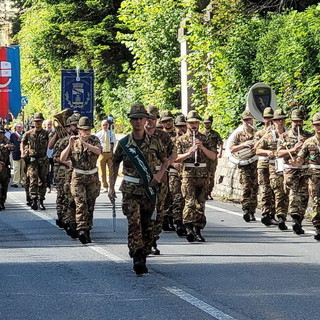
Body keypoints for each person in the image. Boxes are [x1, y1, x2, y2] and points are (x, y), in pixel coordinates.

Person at [108, 103, 168, 275]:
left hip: (149, 189)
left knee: (149, 225)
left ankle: (144, 251)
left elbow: (165, 160)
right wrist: (111, 187)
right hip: (130, 189)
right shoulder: (125, 143)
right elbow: (114, 163)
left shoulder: (155, 141)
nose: (138, 122)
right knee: (134, 223)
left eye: (141, 118)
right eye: (134, 119)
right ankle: (137, 256)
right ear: (131, 121)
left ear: (145, 120)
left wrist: (159, 176)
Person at [176, 110, 217, 242]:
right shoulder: (181, 140)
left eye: (196, 123)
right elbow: (175, 158)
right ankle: (188, 228)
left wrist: (202, 148)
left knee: (200, 204)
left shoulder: (205, 138)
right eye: (191, 123)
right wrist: (189, 153)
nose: (194, 125)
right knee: (189, 201)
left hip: (203, 174)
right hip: (188, 174)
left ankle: (198, 229)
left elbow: (213, 156)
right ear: (187, 124)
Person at [60, 116, 102, 244]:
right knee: (80, 203)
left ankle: (88, 228)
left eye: (88, 130)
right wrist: (70, 145)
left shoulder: (94, 140)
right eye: (84, 130)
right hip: (78, 177)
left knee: (90, 204)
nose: (86, 132)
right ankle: (82, 229)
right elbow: (62, 158)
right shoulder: (73, 141)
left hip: (92, 176)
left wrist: (85, 143)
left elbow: (98, 151)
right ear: (79, 130)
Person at [144, 105, 177, 255]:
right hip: (142, 179)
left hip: (161, 177)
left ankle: (153, 240)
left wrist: (167, 164)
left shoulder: (163, 137)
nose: (149, 121)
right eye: (148, 118)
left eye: (153, 119)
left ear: (157, 120)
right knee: (143, 210)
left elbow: (174, 153)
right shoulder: (136, 136)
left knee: (159, 210)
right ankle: (143, 239)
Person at [277, 109, 311, 235]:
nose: (298, 124)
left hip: (304, 169)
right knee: (293, 193)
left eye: (300, 121)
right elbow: (279, 153)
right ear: (291, 122)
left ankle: (299, 220)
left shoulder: (308, 136)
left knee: (304, 196)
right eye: (295, 121)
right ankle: (294, 216)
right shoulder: (284, 136)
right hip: (291, 170)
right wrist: (293, 149)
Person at [256, 109, 289, 229]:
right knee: (275, 190)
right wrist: (269, 152)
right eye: (277, 120)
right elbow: (257, 150)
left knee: (283, 192)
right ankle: (274, 215)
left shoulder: (289, 135)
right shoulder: (269, 136)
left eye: (282, 119)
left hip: (287, 166)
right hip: (272, 166)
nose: (280, 122)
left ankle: (280, 215)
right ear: (273, 121)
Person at [290, 112, 320, 240]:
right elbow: (301, 157)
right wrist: (295, 162)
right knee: (317, 200)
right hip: (314, 174)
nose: (319, 127)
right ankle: (318, 227)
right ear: (313, 126)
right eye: (317, 125)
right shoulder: (309, 142)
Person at [230, 110, 258, 222]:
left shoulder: (257, 133)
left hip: (255, 163)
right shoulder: (238, 134)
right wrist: (243, 145)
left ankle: (252, 211)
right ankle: (246, 209)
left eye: (249, 119)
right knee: (246, 187)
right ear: (243, 121)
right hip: (244, 164)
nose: (248, 122)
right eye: (246, 120)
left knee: (255, 187)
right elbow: (231, 148)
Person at [21, 112, 49, 210]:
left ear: (42, 122)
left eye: (39, 121)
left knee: (43, 180)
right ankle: (34, 199)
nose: (37, 123)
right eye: (36, 121)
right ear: (33, 122)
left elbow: (50, 145)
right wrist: (23, 152)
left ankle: (41, 200)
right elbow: (23, 142)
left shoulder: (46, 133)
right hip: (32, 160)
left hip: (43, 159)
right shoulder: (28, 133)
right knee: (33, 179)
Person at [254, 107, 277, 226]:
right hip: (263, 164)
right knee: (264, 189)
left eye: (271, 118)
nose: (269, 120)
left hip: (275, 164)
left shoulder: (277, 132)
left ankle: (273, 213)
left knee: (275, 188)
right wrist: (266, 134)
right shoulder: (259, 133)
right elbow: (255, 148)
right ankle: (266, 213)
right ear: (263, 119)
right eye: (267, 118)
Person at [169, 114, 187, 236]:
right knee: (176, 198)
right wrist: (173, 163)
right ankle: (177, 221)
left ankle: (185, 220)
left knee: (186, 199)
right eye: (179, 127)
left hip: (188, 173)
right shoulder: (170, 141)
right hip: (174, 173)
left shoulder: (189, 140)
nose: (181, 129)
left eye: (183, 126)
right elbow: (163, 158)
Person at [159, 110, 176, 231]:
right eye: (165, 121)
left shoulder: (177, 135)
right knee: (164, 195)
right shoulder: (158, 136)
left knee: (174, 194)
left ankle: (171, 217)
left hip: (175, 168)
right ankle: (164, 218)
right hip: (162, 169)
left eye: (169, 121)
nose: (168, 123)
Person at [202, 115, 223, 200]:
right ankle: (204, 192)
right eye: (205, 123)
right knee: (204, 175)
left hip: (213, 157)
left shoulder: (215, 134)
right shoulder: (201, 134)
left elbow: (220, 143)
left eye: (208, 123)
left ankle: (209, 192)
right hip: (203, 157)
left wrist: (220, 152)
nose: (207, 124)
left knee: (211, 176)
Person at [95, 119, 116, 192]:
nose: (105, 126)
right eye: (103, 125)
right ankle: (105, 186)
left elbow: (114, 143)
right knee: (102, 171)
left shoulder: (112, 134)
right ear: (101, 126)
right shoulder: (98, 134)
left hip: (110, 153)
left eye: (106, 125)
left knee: (111, 171)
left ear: (108, 125)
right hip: (102, 154)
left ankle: (111, 186)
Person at [0, 126, 14, 210]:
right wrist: (3, 146)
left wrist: (10, 146)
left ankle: (2, 201)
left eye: (2, 133)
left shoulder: (6, 140)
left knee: (4, 184)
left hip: (5, 166)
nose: (0, 135)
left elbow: (12, 146)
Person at [10, 123, 26, 188]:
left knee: (23, 168)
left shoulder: (24, 134)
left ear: (22, 128)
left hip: (23, 153)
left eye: (20, 127)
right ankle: (16, 182)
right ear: (15, 128)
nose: (19, 128)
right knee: (16, 169)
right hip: (16, 153)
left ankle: (23, 181)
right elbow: (10, 142)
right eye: (17, 127)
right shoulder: (13, 135)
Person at [44, 119, 55, 193]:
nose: (49, 126)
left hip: (54, 153)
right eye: (48, 124)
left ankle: (54, 185)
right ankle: (48, 186)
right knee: (47, 171)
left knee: (54, 170)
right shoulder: (43, 132)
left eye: (50, 124)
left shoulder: (55, 133)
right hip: (46, 154)